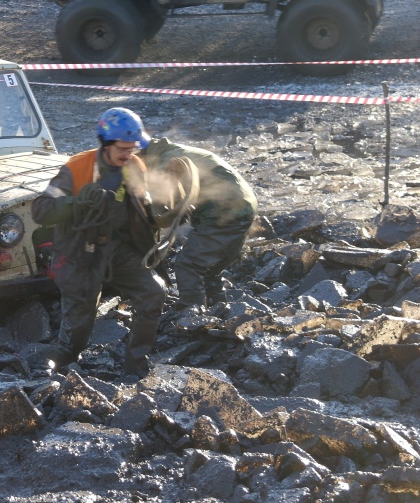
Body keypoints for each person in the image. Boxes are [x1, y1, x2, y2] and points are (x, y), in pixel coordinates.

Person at [32, 107, 166, 379]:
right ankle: (58, 369)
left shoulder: (134, 166)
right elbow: (41, 210)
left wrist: (165, 213)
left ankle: (136, 369)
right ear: (105, 143)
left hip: (118, 249)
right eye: (123, 149)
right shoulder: (77, 169)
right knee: (79, 322)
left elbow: (143, 206)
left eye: (133, 148)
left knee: (153, 292)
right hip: (79, 253)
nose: (128, 154)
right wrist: (76, 203)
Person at [140, 138, 257, 310]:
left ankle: (191, 313)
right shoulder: (175, 150)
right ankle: (218, 310)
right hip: (242, 206)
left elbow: (164, 210)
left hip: (225, 211)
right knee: (210, 269)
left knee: (188, 264)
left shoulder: (163, 164)